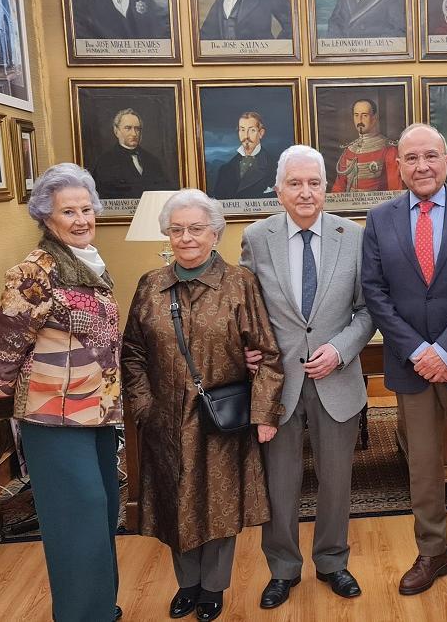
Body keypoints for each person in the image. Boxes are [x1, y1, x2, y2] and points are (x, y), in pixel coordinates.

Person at [121, 189, 285, 621]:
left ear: (215, 233)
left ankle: (213, 588)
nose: (187, 238)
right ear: (167, 235)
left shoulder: (240, 284)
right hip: (165, 421)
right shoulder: (151, 285)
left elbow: (267, 355)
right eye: (177, 230)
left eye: (196, 229)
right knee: (175, 504)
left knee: (219, 505)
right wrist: (143, 408)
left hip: (220, 420)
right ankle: (187, 584)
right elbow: (132, 353)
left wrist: (265, 414)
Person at [361, 123, 447, 605]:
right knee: (421, 466)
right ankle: (433, 551)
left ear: (446, 160)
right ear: (398, 166)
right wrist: (419, 351)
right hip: (410, 364)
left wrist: (443, 350)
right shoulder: (379, 219)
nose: (422, 166)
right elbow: (375, 293)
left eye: (431, 157)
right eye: (411, 158)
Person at [0, 163, 124, 622]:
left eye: (87, 209)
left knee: (101, 514)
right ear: (46, 217)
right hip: (53, 417)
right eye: (69, 211)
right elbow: (5, 343)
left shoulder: (87, 261)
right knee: (76, 521)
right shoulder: (34, 272)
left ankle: (100, 607)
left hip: (97, 414)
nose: (82, 219)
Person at [239, 145, 376, 609]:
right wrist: (247, 349)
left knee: (337, 480)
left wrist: (340, 349)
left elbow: (367, 311)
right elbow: (245, 309)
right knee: (280, 481)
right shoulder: (256, 238)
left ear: (326, 187)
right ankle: (282, 568)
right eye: (294, 183)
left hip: (337, 380)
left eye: (313, 182)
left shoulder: (353, 236)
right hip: (277, 384)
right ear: (278, 189)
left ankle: (333, 561)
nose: (305, 192)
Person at [89, 108, 177, 199]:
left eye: (137, 129)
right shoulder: (105, 162)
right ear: (116, 131)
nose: (134, 134)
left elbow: (167, 192)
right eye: (128, 128)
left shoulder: (153, 160)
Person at [332, 99, 401, 192]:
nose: (359, 120)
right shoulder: (349, 151)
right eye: (356, 115)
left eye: (364, 115)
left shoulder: (388, 149)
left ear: (374, 118)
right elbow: (339, 188)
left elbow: (395, 191)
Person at [207, 112, 278, 199]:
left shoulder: (275, 167)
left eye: (252, 130)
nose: (246, 136)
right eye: (242, 130)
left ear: (261, 133)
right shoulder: (225, 169)